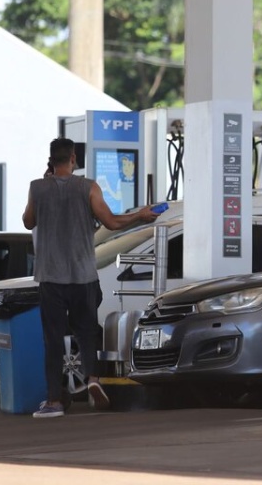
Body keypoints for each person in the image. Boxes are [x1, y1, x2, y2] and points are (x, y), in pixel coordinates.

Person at [23, 137, 161, 419]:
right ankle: (93, 381)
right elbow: (111, 222)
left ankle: (54, 402)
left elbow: (28, 221)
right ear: (73, 158)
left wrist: (43, 187)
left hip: (51, 277)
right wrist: (141, 215)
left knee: (52, 340)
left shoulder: (37, 188)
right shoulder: (88, 187)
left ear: (51, 159)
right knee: (86, 333)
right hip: (84, 275)